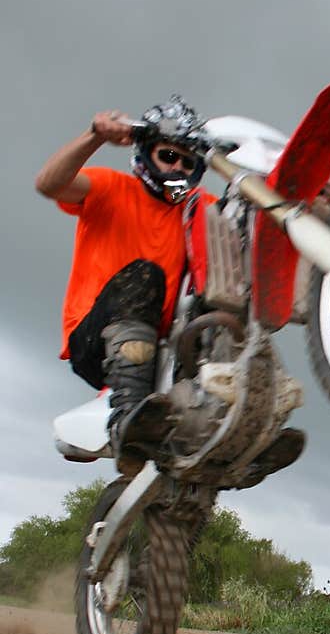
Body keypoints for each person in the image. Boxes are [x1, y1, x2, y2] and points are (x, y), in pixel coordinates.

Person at [36, 94, 215, 474]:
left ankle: (233, 427)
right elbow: (50, 184)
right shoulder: (109, 187)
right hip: (96, 341)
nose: (178, 167)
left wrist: (309, 199)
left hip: (164, 355)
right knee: (144, 274)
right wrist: (94, 136)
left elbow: (255, 225)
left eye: (188, 161)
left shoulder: (197, 208)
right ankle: (128, 423)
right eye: (168, 156)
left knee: (218, 300)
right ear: (147, 153)